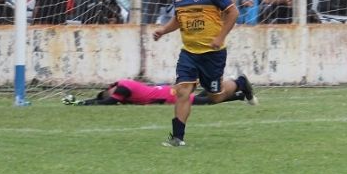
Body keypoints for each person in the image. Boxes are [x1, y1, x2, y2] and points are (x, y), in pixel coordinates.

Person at [152, 0, 257, 147]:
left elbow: (233, 13)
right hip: (189, 53)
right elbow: (178, 19)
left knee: (215, 96)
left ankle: (241, 83)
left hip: (212, 54)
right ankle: (177, 138)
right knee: (183, 91)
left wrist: (220, 37)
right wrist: (163, 30)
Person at [61, 78, 246, 106]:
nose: (110, 96)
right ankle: (238, 96)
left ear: (110, 89)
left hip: (167, 96)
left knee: (207, 101)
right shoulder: (121, 84)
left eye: (107, 93)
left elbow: (107, 103)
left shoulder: (122, 89)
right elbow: (104, 100)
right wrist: (85, 101)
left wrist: (81, 103)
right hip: (164, 91)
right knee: (201, 98)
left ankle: (239, 83)